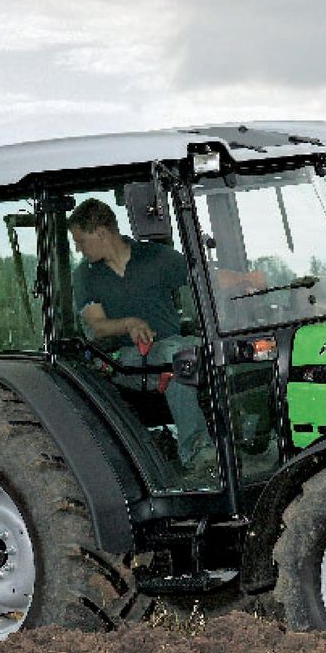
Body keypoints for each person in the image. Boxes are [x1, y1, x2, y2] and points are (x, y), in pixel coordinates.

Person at [67, 197, 216, 476]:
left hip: (174, 348)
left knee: (215, 350)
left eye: (81, 241)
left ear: (101, 233)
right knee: (179, 359)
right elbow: (97, 326)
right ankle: (198, 454)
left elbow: (206, 279)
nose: (78, 248)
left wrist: (247, 280)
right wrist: (129, 324)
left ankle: (241, 439)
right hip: (125, 360)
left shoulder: (157, 257)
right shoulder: (85, 276)